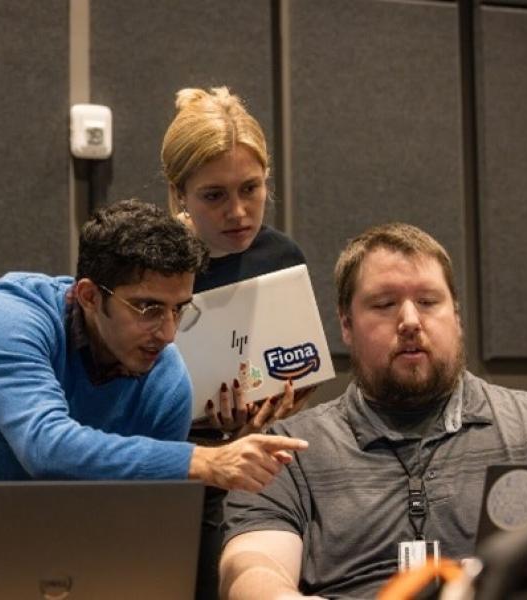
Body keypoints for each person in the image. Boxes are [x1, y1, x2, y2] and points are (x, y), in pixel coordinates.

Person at [219, 223, 527, 600]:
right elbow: (252, 565)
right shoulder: (286, 452)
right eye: (384, 304)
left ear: (457, 317)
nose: (411, 321)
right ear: (347, 326)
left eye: (429, 302)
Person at [0, 199, 308, 491]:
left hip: (72, 549)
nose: (168, 333)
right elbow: (45, 447)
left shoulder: (166, 377)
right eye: (148, 308)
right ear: (90, 296)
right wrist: (204, 461)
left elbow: (144, 515)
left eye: (179, 310)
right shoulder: (9, 315)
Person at [161, 86, 315, 599]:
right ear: (179, 192)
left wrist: (265, 413)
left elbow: (300, 368)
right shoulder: (151, 263)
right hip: (168, 479)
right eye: (214, 195)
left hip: (261, 476)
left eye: (251, 188)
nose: (238, 211)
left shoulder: (281, 255)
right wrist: (203, 430)